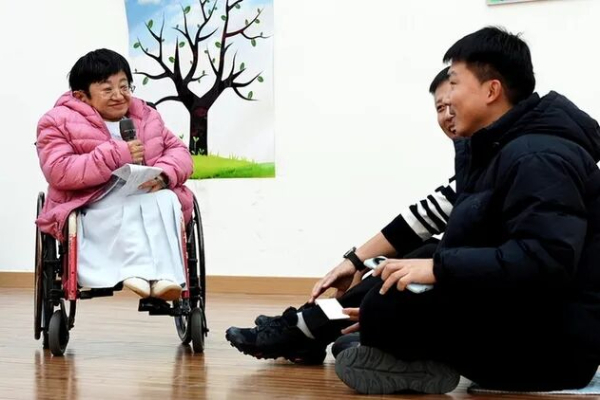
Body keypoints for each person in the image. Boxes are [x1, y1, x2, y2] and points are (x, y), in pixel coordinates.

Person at [229, 26, 600, 395]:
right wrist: (367, 262)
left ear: (491, 91)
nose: (447, 100)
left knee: (390, 302)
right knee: (404, 269)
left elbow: (544, 260)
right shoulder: (500, 151)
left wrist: (437, 271)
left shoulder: (537, 157)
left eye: (454, 84)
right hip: (530, 321)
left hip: (550, 351)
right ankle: (346, 335)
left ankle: (370, 340)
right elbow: (438, 227)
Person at [226, 66, 459, 363]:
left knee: (424, 255)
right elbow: (429, 214)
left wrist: (360, 263)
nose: (448, 115)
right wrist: (354, 262)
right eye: (440, 107)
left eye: (455, 103)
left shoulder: (504, 156)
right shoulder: (477, 157)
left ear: (491, 92)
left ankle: (308, 327)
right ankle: (311, 326)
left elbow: (440, 218)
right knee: (415, 250)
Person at [36, 49, 194, 301]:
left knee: (167, 199)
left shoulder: (146, 115)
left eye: (124, 86)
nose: (119, 95)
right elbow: (59, 170)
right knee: (125, 202)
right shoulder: (56, 121)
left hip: (144, 191)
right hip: (90, 200)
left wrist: (164, 175)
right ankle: (135, 271)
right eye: (107, 89)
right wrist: (117, 154)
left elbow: (179, 152)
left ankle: (165, 276)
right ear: (81, 96)